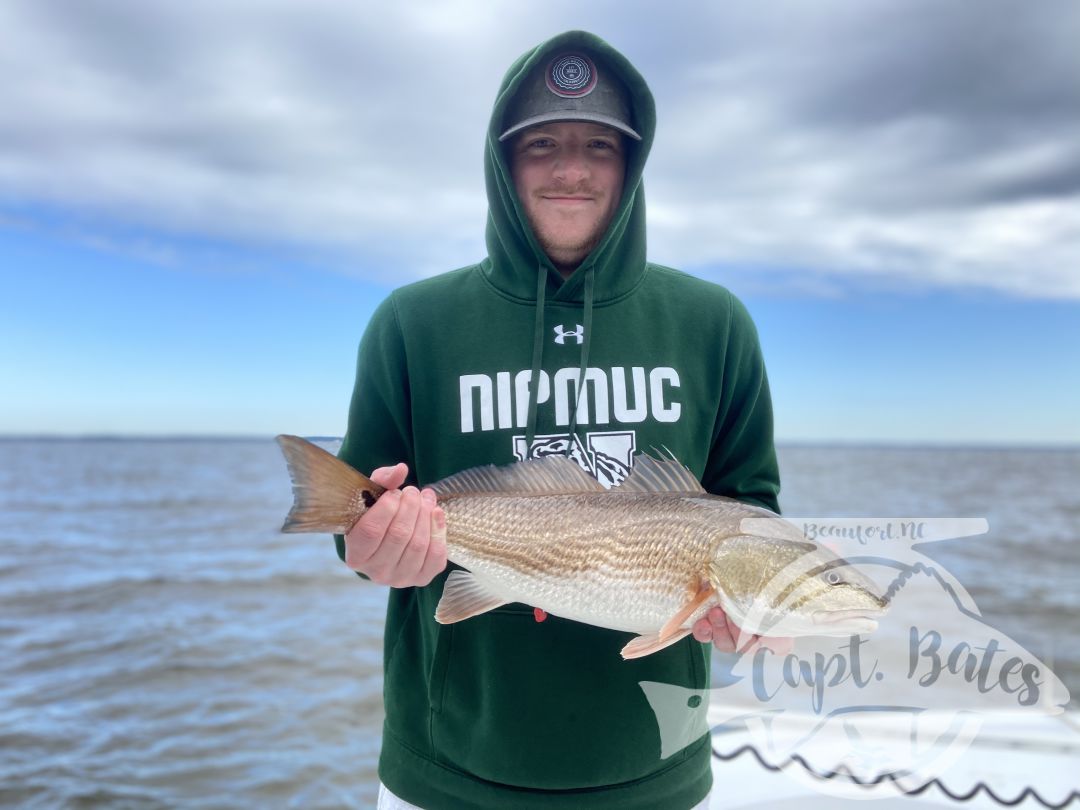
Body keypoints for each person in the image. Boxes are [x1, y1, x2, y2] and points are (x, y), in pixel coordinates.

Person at [335, 30, 781, 810]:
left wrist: (749, 611)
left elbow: (753, 512)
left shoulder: (715, 323)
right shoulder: (412, 321)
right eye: (542, 143)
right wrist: (374, 548)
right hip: (445, 773)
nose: (571, 169)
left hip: (657, 773)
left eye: (599, 145)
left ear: (631, 163)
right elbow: (356, 521)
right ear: (503, 162)